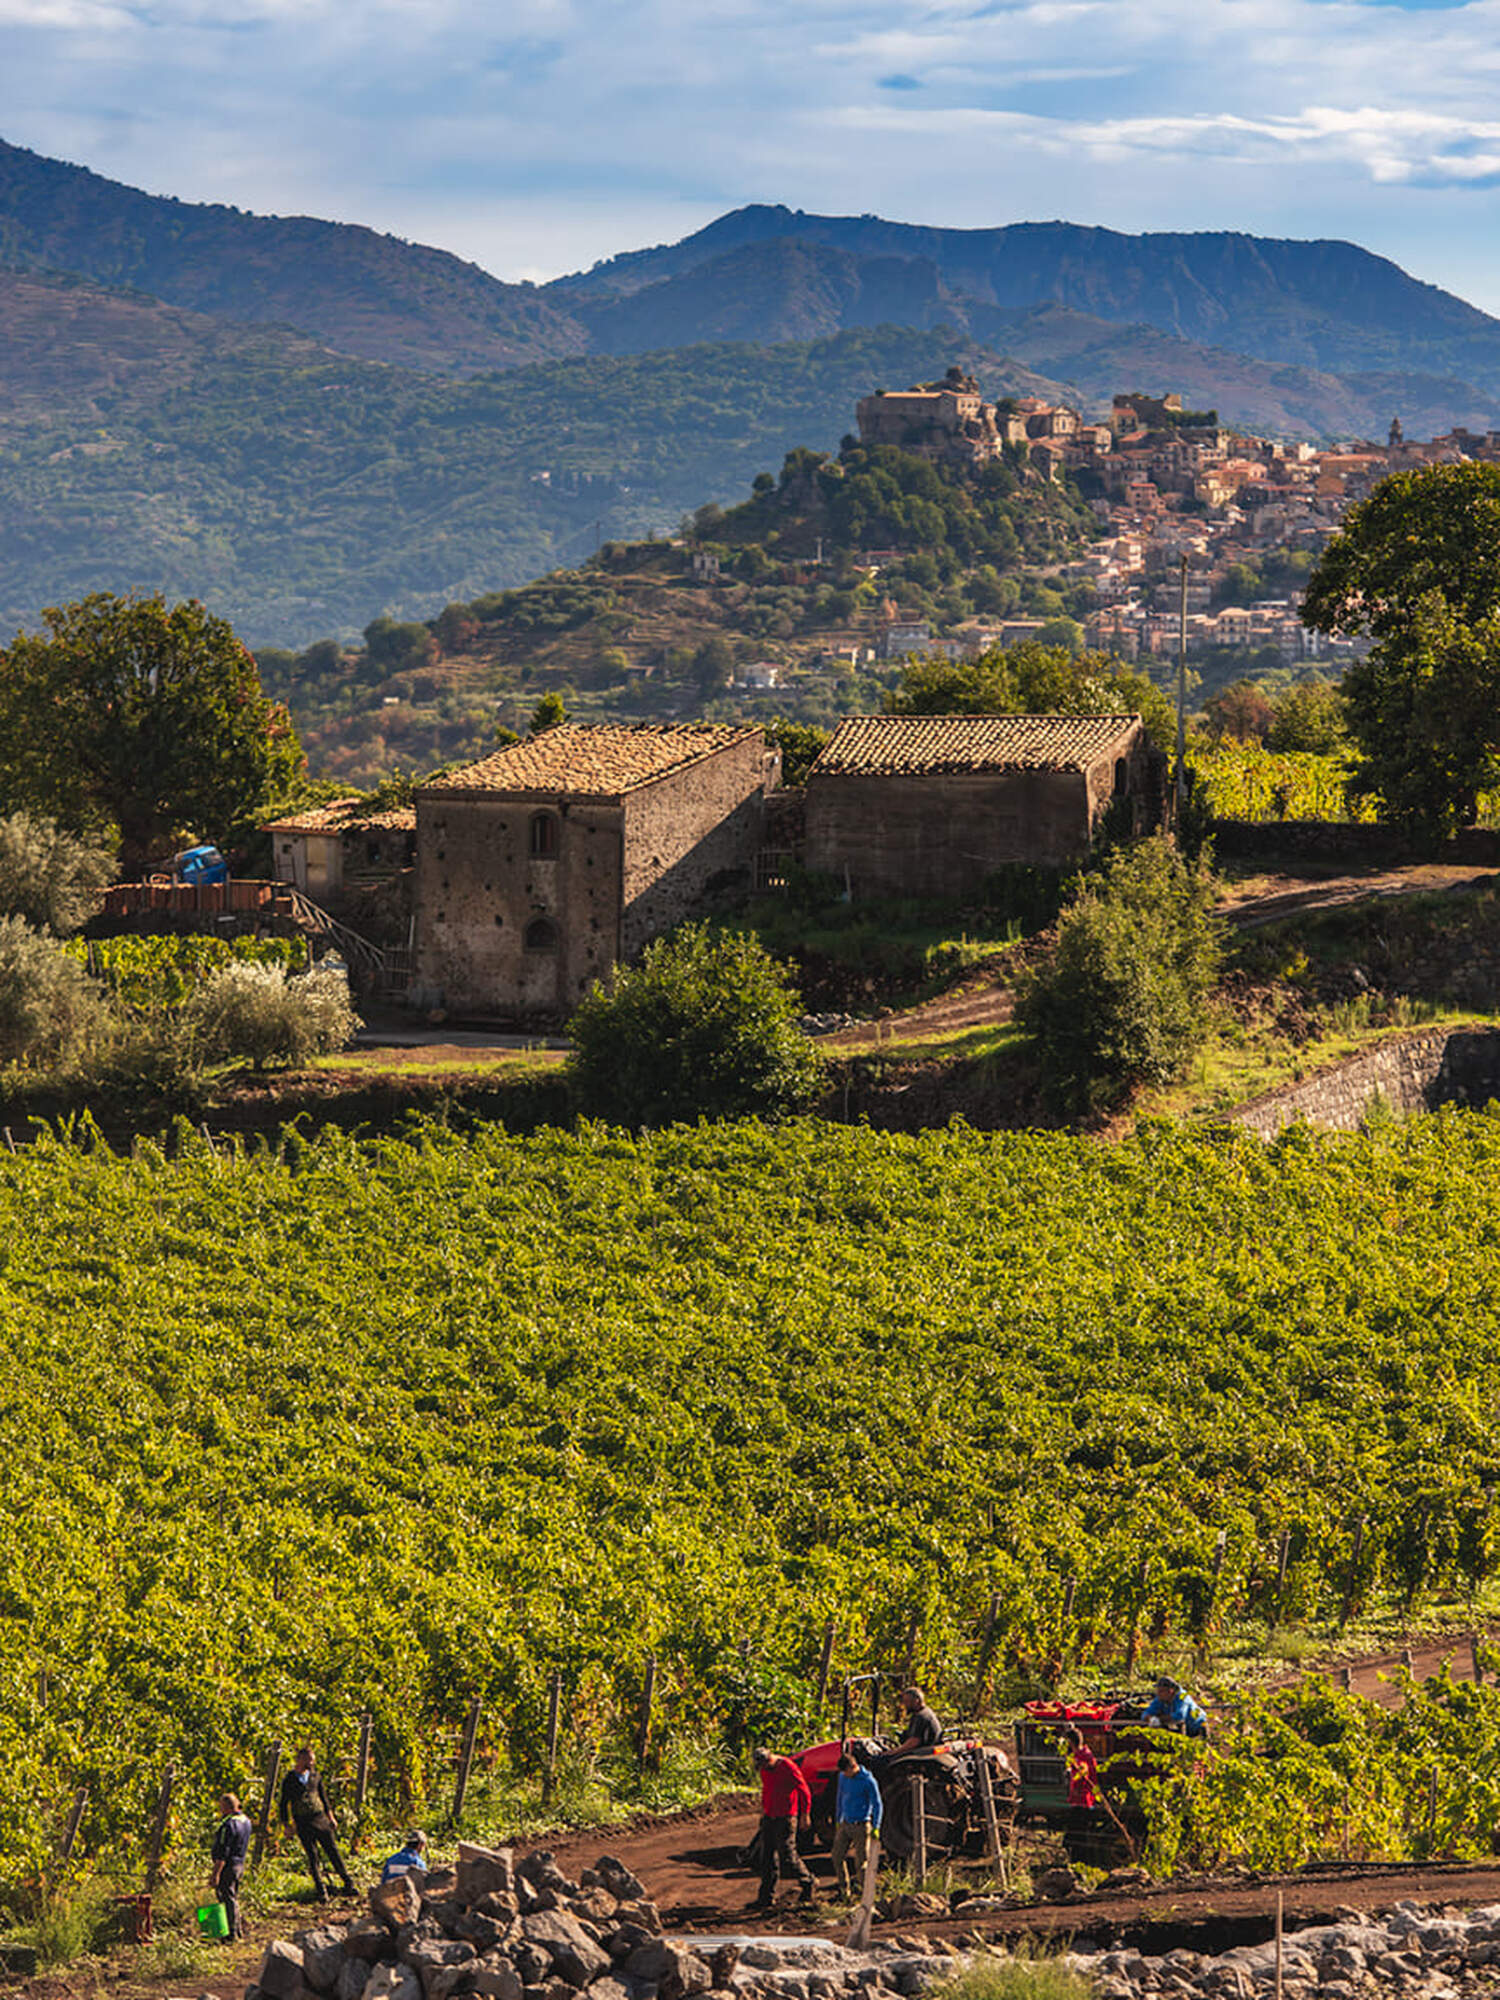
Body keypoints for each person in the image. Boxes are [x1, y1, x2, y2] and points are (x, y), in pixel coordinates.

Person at [278, 1744, 355, 1900]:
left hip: (320, 1818)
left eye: (313, 1760)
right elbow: (283, 1804)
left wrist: (331, 1817)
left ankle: (348, 1883)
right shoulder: (290, 1780)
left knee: (333, 1851)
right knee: (313, 1856)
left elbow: (324, 1798)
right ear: (300, 1760)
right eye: (309, 1760)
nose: (312, 1763)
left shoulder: (315, 1776)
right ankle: (321, 1891)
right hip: (302, 1821)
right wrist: (287, 1825)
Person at [751, 1745, 815, 1910]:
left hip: (786, 1817)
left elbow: (804, 1790)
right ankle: (766, 1897)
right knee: (766, 1858)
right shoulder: (765, 1770)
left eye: (763, 1766)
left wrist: (804, 1814)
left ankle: (808, 1881)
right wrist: (764, 1811)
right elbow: (767, 1790)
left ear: (769, 1759)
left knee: (787, 1855)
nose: (762, 1770)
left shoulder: (787, 1767)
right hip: (769, 1816)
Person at [831, 1749, 882, 1900]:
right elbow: (840, 1798)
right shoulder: (843, 1777)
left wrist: (876, 1826)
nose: (844, 1774)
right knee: (837, 1856)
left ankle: (864, 1893)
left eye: (846, 1771)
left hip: (861, 1825)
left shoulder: (868, 1781)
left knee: (861, 1862)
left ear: (853, 1767)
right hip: (846, 1823)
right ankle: (843, 1889)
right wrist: (838, 1819)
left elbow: (877, 1803)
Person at [210, 1792, 252, 1942]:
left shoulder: (228, 1825)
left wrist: (216, 1873)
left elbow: (223, 1852)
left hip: (228, 1865)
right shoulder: (246, 1821)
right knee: (233, 1896)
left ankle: (230, 1934)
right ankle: (237, 1930)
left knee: (226, 1898)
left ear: (226, 1807)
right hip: (240, 1863)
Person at [1140, 1676, 1209, 1739]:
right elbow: (1146, 1712)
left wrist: (1160, 1719)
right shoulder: (1160, 1699)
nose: (1158, 1694)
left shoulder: (1182, 1697)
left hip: (1198, 1727)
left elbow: (1180, 1715)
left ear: (1170, 1691)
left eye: (1161, 1691)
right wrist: (1151, 1718)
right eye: (1158, 1691)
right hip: (1183, 1729)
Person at [888, 1687, 942, 1756]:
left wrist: (893, 1752)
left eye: (907, 1701)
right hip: (925, 1749)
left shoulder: (921, 1716)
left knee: (881, 1760)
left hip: (922, 1752)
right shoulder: (926, 1712)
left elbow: (914, 1742)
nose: (905, 1705)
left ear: (916, 1701)